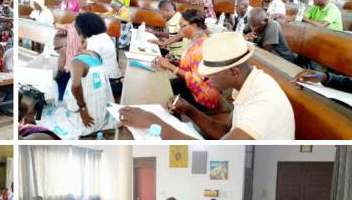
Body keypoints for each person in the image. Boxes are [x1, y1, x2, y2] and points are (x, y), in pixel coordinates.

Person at [120, 32, 295, 139]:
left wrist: (153, 123)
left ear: (233, 71)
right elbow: (226, 131)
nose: (205, 79)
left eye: (210, 74)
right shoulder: (248, 83)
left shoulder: (262, 103)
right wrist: (189, 110)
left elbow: (221, 151)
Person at [153, 8, 220, 112]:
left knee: (166, 102)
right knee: (162, 88)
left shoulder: (202, 47)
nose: (180, 31)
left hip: (202, 96)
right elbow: (190, 66)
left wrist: (170, 66)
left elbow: (196, 79)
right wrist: (172, 63)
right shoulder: (196, 40)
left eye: (182, 26)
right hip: (191, 86)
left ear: (194, 26)